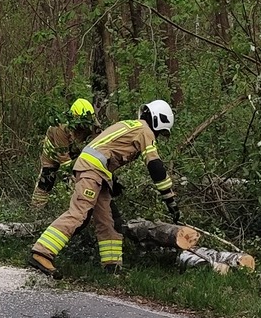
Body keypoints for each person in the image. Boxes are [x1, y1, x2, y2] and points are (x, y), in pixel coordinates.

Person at [29, 100, 179, 277]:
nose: (158, 136)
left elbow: (105, 148)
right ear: (157, 121)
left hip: (99, 172)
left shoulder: (130, 125)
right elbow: (155, 166)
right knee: (80, 214)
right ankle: (41, 253)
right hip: (92, 171)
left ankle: (112, 267)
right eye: (160, 132)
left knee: (110, 221)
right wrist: (170, 200)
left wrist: (113, 180)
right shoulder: (145, 130)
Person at [30, 98, 102, 215]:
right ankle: (36, 210)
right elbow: (64, 158)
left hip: (76, 149)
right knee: (47, 179)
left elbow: (99, 140)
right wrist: (73, 179)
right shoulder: (60, 127)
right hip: (54, 151)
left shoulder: (92, 121)